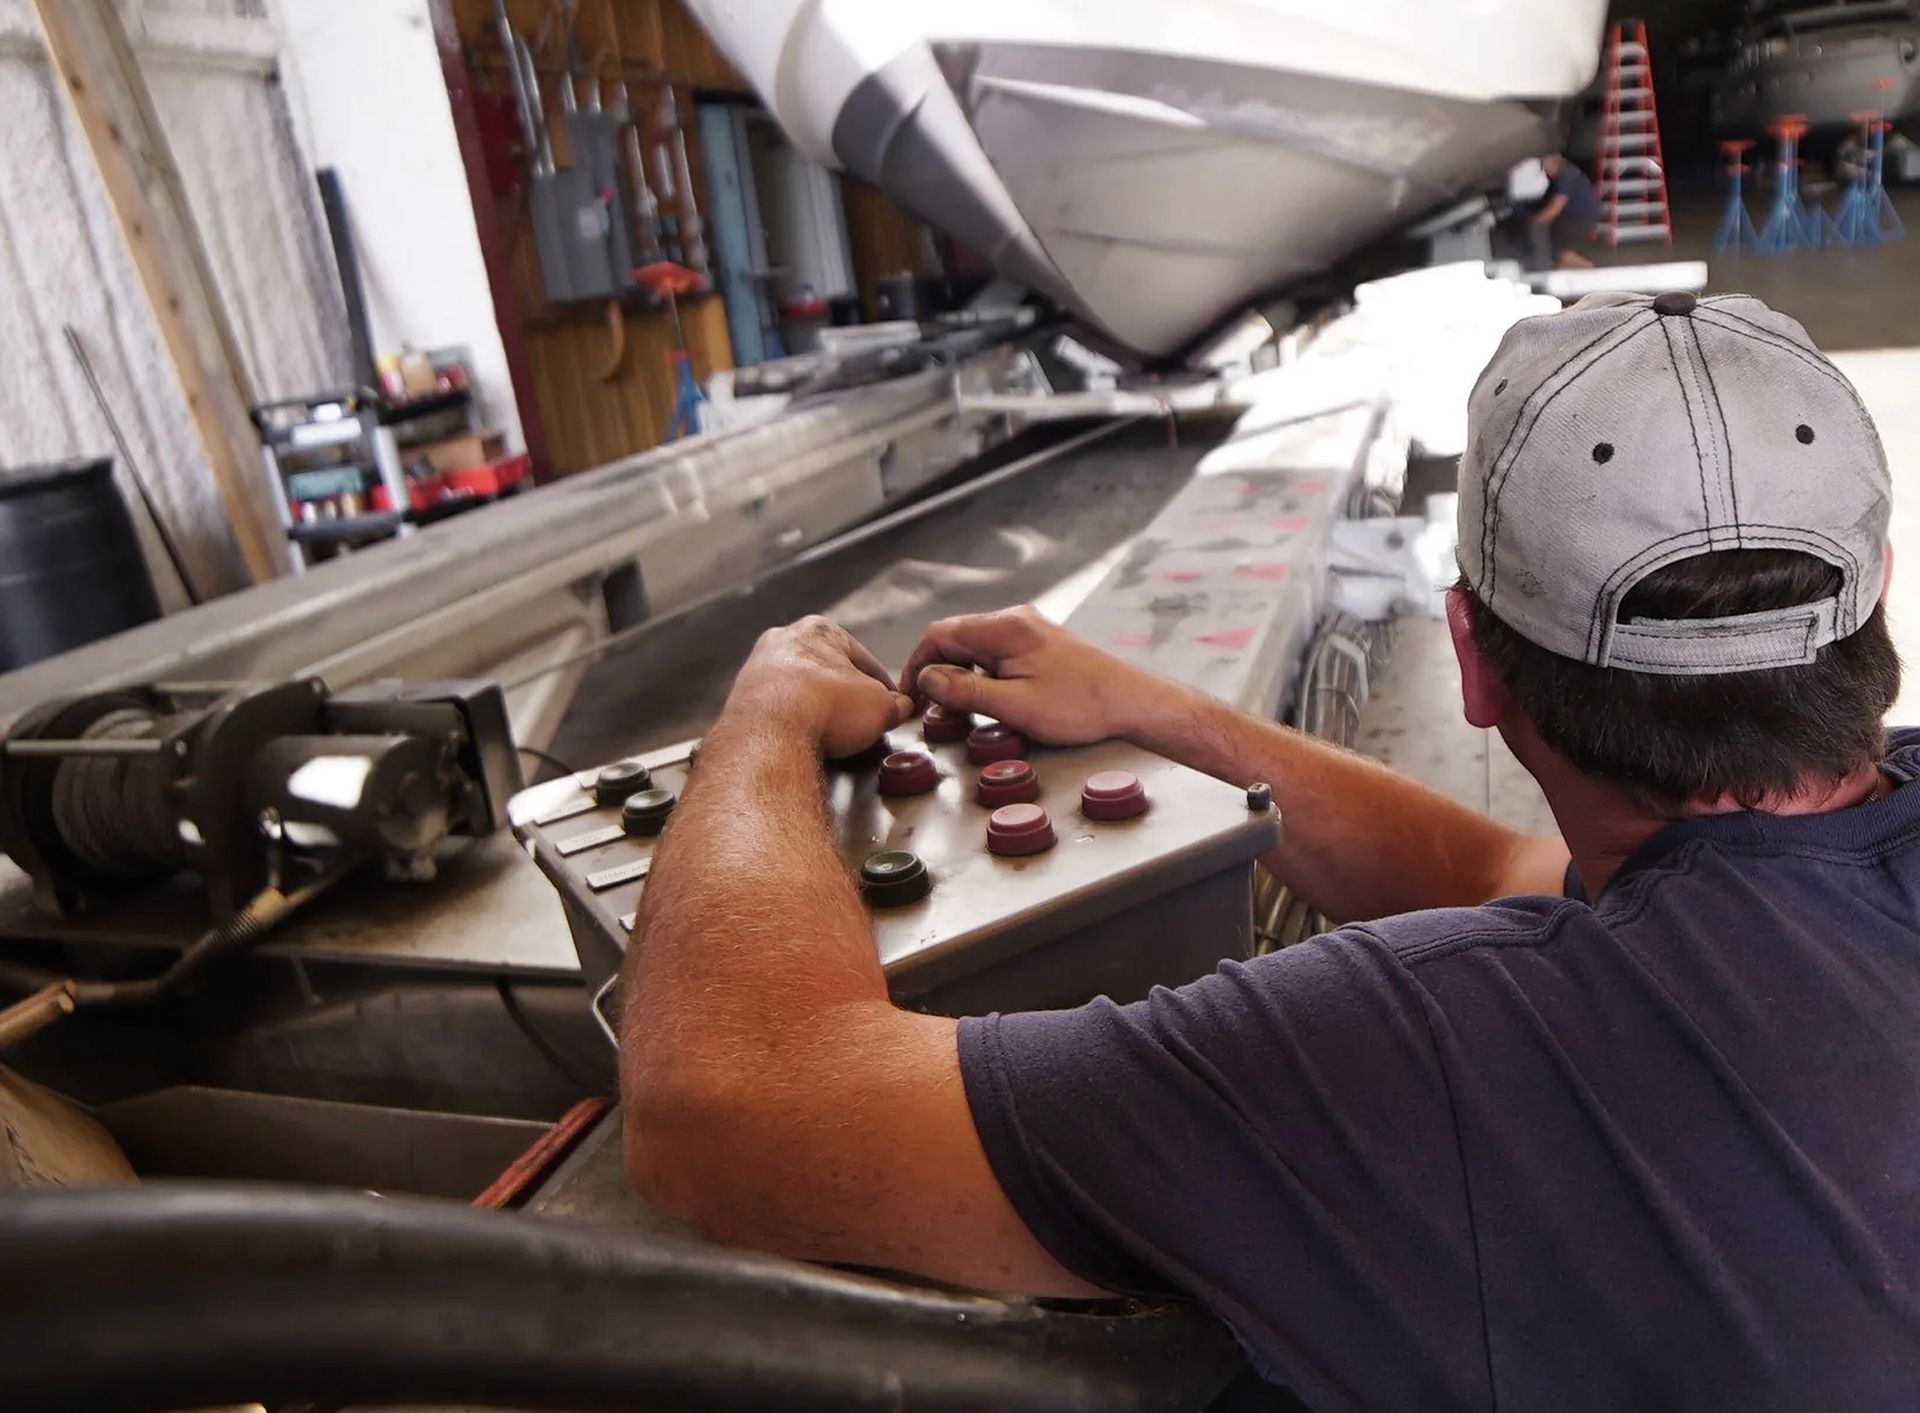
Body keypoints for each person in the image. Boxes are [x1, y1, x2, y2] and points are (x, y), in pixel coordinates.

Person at [617, 291, 1919, 1411]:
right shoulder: (1810, 885)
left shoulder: (1444, 1051)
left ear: (1471, 659)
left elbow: (722, 1108)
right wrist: (1157, 710)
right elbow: (1507, 874)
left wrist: (770, 708)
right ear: (1878, 590)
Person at [1534, 152, 1602, 268]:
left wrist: (1535, 223)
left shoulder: (1567, 177)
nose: (1544, 172)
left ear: (1553, 164)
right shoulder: (1567, 174)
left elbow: (1555, 207)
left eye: (1544, 167)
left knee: (1553, 246)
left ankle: (1588, 269)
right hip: (1578, 216)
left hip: (1579, 218)